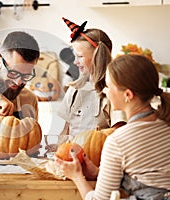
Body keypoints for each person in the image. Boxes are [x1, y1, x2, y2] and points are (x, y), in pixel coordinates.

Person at [55, 54, 170, 200]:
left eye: (108, 87)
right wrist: (99, 172)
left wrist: (76, 176)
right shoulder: (166, 124)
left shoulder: (118, 141)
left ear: (128, 95)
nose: (104, 91)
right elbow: (151, 177)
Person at [53, 18, 126, 146]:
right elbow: (65, 131)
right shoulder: (74, 90)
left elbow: (118, 132)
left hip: (99, 159)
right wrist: (57, 148)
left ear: (98, 56)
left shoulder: (113, 92)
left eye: (80, 56)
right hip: (74, 157)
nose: (75, 62)